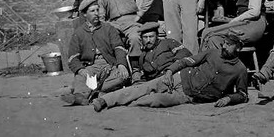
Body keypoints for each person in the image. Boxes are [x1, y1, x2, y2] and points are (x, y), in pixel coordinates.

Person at [92, 32, 247, 112]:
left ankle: (123, 104)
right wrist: (169, 72)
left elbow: (243, 94)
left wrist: (229, 98)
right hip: (180, 78)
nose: (224, 46)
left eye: (229, 45)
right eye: (224, 43)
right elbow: (186, 61)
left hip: (188, 96)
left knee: (154, 100)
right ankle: (105, 100)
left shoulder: (240, 70)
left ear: (238, 48)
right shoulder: (212, 53)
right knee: (144, 87)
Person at [62, 0, 130, 106]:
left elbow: (119, 48)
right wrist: (81, 70)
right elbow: (72, 58)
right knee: (80, 77)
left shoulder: (108, 28)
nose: (96, 13)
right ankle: (81, 97)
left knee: (122, 77)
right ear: (85, 14)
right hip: (91, 67)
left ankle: (93, 91)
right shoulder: (79, 33)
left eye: (97, 10)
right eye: (92, 11)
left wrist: (121, 64)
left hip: (109, 64)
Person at [96, 0, 155, 81]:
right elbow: (101, 17)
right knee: (109, 41)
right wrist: (107, 27)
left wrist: (139, 14)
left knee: (134, 38)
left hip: (131, 22)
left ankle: (136, 69)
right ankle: (116, 70)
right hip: (114, 24)